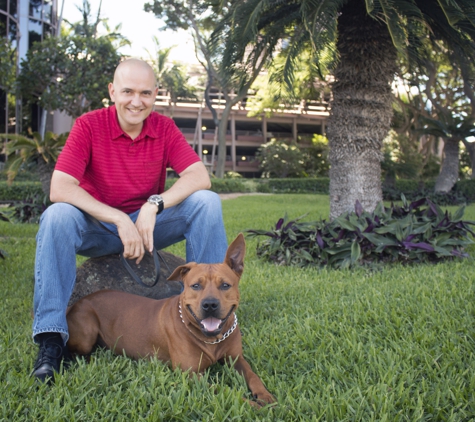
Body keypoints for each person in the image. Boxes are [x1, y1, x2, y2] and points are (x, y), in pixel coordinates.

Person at [31, 58, 228, 382]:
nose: (136, 101)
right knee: (57, 216)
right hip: (98, 226)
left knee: (206, 202)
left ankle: (211, 314)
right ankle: (51, 339)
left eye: (145, 93)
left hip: (149, 228)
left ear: (155, 95)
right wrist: (118, 218)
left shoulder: (163, 127)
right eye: (127, 91)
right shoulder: (89, 125)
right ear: (112, 92)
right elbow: (60, 186)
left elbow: (198, 176)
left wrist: (154, 205)